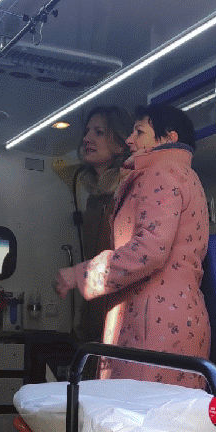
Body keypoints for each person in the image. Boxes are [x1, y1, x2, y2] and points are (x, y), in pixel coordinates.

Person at [55, 104, 211, 388]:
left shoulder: (159, 174)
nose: (130, 140)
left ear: (169, 138)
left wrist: (83, 274)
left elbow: (149, 251)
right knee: (173, 411)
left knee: (137, 411)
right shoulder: (189, 176)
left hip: (153, 323)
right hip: (182, 317)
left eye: (139, 132)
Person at [69, 106, 133, 342]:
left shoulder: (129, 190)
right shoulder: (94, 199)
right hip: (95, 317)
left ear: (120, 144)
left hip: (122, 319)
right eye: (87, 131)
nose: (87, 138)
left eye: (98, 132)